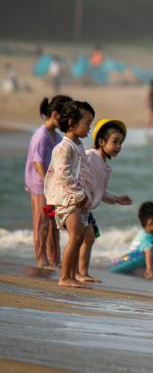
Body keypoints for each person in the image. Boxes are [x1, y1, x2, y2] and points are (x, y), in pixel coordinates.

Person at [43, 100, 94, 288]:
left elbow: (82, 171)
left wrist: (88, 193)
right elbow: (63, 174)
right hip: (67, 199)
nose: (90, 127)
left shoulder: (78, 144)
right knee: (75, 238)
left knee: (78, 238)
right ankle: (64, 277)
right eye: (87, 123)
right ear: (72, 122)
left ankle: (72, 275)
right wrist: (79, 194)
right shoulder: (64, 147)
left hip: (76, 198)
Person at [78, 119, 133, 282]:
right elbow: (76, 173)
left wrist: (116, 198)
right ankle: (74, 273)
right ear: (101, 142)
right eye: (115, 142)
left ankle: (82, 273)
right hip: (77, 205)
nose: (118, 146)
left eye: (120, 143)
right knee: (79, 239)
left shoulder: (105, 165)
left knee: (89, 238)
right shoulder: (90, 155)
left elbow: (99, 191)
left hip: (86, 209)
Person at [25, 95, 72, 269]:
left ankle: (55, 259)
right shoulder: (41, 135)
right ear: (55, 114)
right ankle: (41, 258)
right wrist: (48, 182)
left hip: (53, 187)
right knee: (41, 223)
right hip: (40, 186)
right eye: (65, 117)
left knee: (54, 224)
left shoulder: (57, 136)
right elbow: (38, 162)